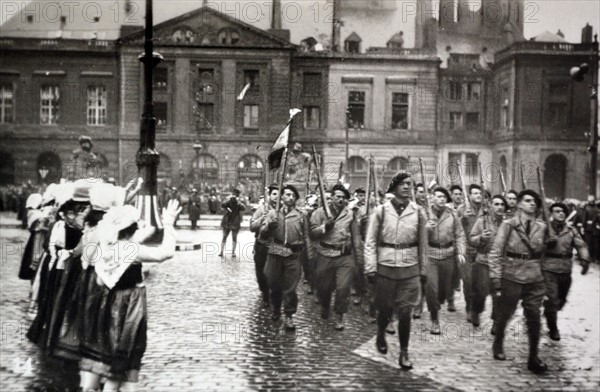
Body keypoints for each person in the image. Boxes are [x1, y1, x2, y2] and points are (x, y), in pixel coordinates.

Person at [82, 200, 180, 391]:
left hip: (107, 303)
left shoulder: (105, 248)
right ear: (131, 230)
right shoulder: (132, 250)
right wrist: (168, 223)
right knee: (127, 349)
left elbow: (101, 281)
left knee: (107, 348)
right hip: (130, 305)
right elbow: (165, 253)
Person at [364, 172, 429, 370]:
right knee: (384, 309)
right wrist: (370, 267)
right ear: (393, 187)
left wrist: (423, 269)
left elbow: (423, 245)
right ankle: (381, 332)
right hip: (385, 267)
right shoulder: (380, 212)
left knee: (405, 312)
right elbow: (370, 241)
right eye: (402, 184)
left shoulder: (419, 212)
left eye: (409, 184)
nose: (407, 187)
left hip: (409, 269)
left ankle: (404, 352)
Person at [488, 190, 548, 374]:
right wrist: (496, 277)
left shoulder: (543, 227)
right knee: (505, 314)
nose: (532, 204)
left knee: (534, 317)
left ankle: (533, 357)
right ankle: (498, 343)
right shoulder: (508, 225)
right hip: (511, 275)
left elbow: (544, 254)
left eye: (535, 201)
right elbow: (496, 252)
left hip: (535, 277)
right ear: (519, 204)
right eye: (528, 201)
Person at [310, 184, 362, 331]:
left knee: (343, 287)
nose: (340, 199)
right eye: (337, 196)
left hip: (344, 256)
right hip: (325, 254)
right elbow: (312, 233)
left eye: (343, 197)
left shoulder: (350, 214)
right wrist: (324, 227)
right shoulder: (320, 213)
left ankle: (339, 316)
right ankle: (325, 305)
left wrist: (359, 258)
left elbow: (356, 237)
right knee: (323, 288)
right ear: (331, 197)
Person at [260, 185, 310, 331]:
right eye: (287, 195)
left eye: (293, 196)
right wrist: (269, 226)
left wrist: (309, 254)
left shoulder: (301, 215)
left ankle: (289, 315)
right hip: (275, 252)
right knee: (273, 283)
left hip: (293, 254)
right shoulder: (273, 213)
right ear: (281, 197)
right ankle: (276, 308)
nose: (290, 198)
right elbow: (262, 234)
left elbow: (306, 235)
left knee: (290, 287)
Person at [542, 202, 590, 341]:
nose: (561, 213)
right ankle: (553, 328)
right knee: (552, 299)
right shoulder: (545, 229)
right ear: (551, 214)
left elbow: (581, 245)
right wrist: (546, 243)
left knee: (561, 300)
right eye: (557, 211)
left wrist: (585, 260)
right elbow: (535, 245)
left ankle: (550, 312)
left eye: (563, 211)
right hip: (548, 269)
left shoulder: (571, 230)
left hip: (565, 270)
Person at [423, 187, 466, 334]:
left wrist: (461, 251)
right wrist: (426, 228)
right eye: (439, 196)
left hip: (448, 255)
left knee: (443, 290)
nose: (442, 199)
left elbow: (460, 234)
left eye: (444, 197)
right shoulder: (424, 213)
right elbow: (417, 235)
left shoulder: (452, 215)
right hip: (431, 254)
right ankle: (434, 319)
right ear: (432, 198)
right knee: (431, 288)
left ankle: (438, 302)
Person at [468, 194, 507, 328]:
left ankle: (496, 321)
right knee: (480, 292)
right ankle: (476, 311)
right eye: (496, 204)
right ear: (490, 206)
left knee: (499, 294)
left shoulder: (508, 224)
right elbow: (471, 240)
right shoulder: (482, 221)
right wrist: (481, 237)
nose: (500, 207)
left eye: (502, 204)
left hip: (500, 264)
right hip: (483, 262)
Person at [455, 184, 484, 322]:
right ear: (469, 196)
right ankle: (469, 307)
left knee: (480, 283)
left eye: (480, 193)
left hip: (481, 250)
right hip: (466, 249)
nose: (478, 195)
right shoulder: (461, 209)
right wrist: (462, 219)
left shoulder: (487, 210)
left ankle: (476, 310)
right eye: (475, 193)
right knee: (467, 281)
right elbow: (453, 228)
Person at [249, 184, 279, 307]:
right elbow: (252, 227)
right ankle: (265, 293)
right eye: (274, 194)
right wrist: (263, 217)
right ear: (269, 195)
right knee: (261, 272)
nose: (277, 197)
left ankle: (274, 293)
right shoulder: (262, 209)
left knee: (276, 273)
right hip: (262, 245)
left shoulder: (283, 210)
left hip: (277, 246)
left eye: (280, 194)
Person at [219, 189, 245, 258]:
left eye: (235, 196)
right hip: (227, 221)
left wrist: (238, 202)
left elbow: (243, 208)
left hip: (234, 222)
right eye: (233, 195)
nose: (234, 197)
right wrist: (228, 200)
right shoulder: (228, 202)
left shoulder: (238, 203)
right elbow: (222, 205)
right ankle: (221, 251)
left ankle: (233, 252)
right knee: (225, 236)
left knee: (234, 237)